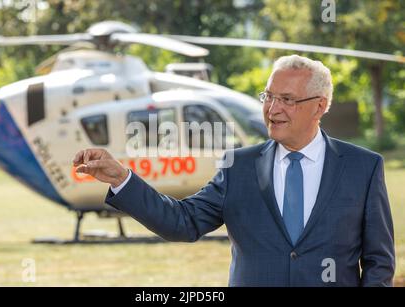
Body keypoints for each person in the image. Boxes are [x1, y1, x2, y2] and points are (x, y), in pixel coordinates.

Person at [73, 55, 395, 287]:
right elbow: (182, 223)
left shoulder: (363, 167)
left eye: (287, 99)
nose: (273, 109)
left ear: (320, 106)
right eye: (268, 97)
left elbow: (379, 263)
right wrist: (121, 179)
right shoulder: (237, 167)